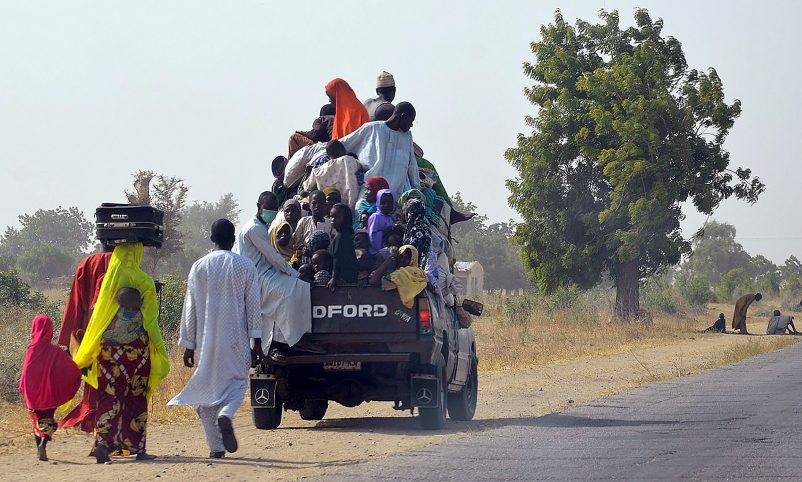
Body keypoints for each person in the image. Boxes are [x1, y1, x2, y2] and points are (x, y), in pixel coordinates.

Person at [168, 219, 262, 459]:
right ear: (233, 240)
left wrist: (188, 345)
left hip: (205, 343)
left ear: (212, 239)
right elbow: (253, 306)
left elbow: (189, 308)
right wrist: (257, 341)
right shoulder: (245, 265)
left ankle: (216, 447)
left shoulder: (199, 267)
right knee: (238, 383)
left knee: (206, 394)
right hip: (236, 340)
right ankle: (227, 415)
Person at [72, 242, 170, 464]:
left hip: (108, 354)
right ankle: (138, 448)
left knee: (108, 398)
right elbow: (151, 321)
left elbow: (97, 317)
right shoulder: (144, 281)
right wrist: (159, 347)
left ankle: (104, 445)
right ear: (137, 253)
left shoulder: (106, 282)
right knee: (136, 399)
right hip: (136, 354)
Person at [237, 192, 321, 361]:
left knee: (299, 288)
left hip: (266, 273)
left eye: (275, 209)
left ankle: (301, 335)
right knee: (288, 294)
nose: (272, 212)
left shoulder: (262, 226)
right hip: (258, 277)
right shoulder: (254, 228)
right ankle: (292, 340)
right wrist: (295, 274)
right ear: (259, 207)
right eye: (269, 208)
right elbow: (273, 257)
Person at [58, 245, 113, 432]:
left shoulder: (87, 263)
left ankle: (93, 418)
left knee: (94, 379)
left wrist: (69, 341)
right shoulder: (126, 262)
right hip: (117, 336)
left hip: (89, 333)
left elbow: (75, 302)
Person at [20, 314, 82, 461]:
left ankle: (39, 449)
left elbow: (25, 371)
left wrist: (23, 386)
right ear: (50, 330)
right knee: (48, 420)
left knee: (37, 419)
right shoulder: (55, 351)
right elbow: (71, 368)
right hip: (48, 395)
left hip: (32, 394)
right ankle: (43, 442)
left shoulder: (31, 349)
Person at [337, 102, 421, 199]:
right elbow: (342, 144)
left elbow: (412, 166)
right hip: (371, 193)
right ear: (402, 116)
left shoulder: (407, 137)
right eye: (411, 121)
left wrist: (417, 189)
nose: (411, 125)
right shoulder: (371, 128)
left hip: (398, 196)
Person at [328, 204, 358, 287]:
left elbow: (337, 257)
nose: (333, 219)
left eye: (337, 217)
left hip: (342, 278)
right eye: (331, 216)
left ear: (345, 219)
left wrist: (334, 277)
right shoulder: (345, 235)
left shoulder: (340, 236)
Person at [367, 189, 396, 255]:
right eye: (383, 202)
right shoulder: (376, 217)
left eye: (390, 203)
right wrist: (387, 230)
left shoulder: (390, 218)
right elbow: (373, 238)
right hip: (375, 254)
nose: (386, 205)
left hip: (388, 253)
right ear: (378, 202)